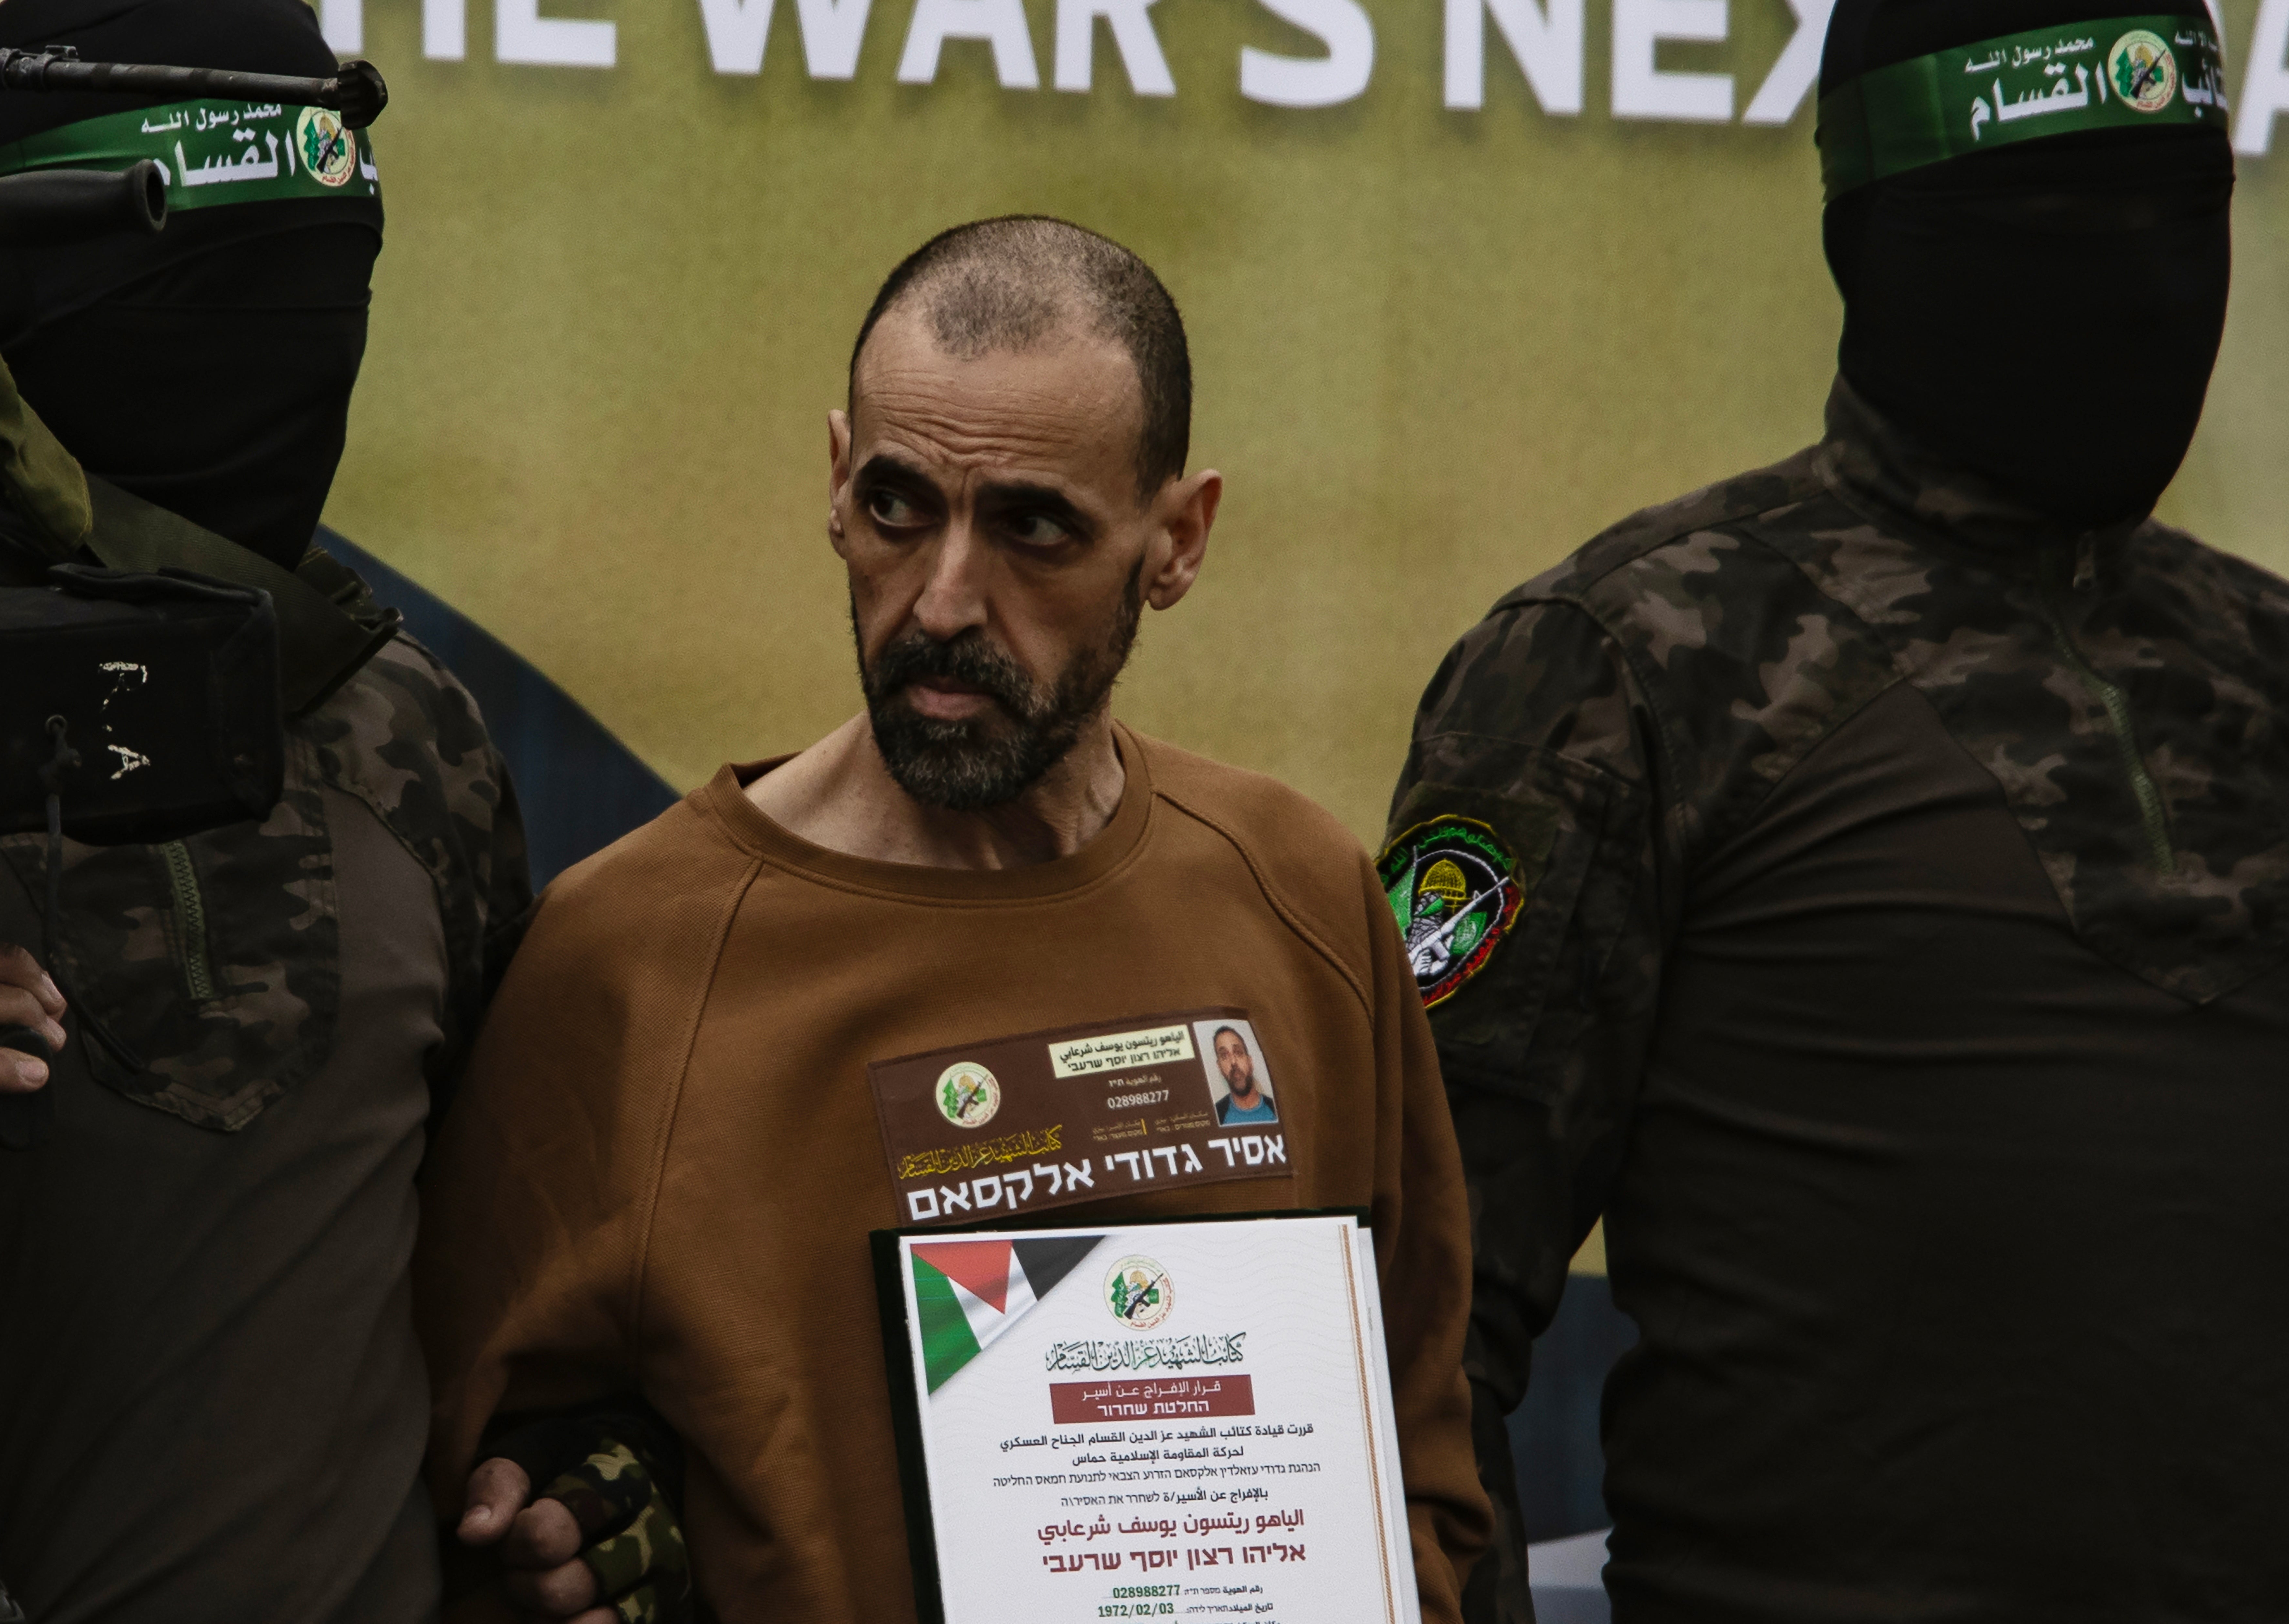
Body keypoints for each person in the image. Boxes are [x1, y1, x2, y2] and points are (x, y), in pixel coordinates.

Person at [416, 216, 1492, 1624]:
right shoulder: (626, 957)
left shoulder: (1295, 893)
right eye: (896, 504)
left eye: (1032, 527)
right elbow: (466, 1486)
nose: (941, 598)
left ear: (1175, 541)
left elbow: (1417, 1459)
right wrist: (584, 1520)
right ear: (832, 487)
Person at [1384, 2, 2283, 1620]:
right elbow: (1410, 1324)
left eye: (2186, 216)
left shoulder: (2271, 660)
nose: (2148, 288)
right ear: (1880, 238)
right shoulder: (1633, 658)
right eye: (2062, 229)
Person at [0, 1, 606, 1618]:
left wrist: (586, 1492)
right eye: (205, 294)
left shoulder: (413, 733)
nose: (277, 346)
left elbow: (501, 1288)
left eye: (316, 287)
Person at [1211, 1023, 1277, 1123]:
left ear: (1250, 1062)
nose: (1233, 1062)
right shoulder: (1215, 1118)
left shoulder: (1278, 1110)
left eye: (1238, 1052)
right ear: (1219, 1067)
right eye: (1224, 1056)